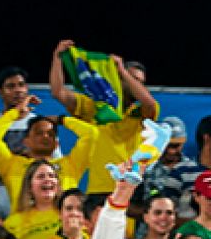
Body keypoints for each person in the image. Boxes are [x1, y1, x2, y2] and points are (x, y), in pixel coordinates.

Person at [49, 40, 160, 198]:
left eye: (141, 82)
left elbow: (149, 102)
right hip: (97, 190)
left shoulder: (140, 113)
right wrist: (57, 58)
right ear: (118, 79)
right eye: (134, 80)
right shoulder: (96, 106)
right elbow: (58, 92)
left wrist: (122, 71)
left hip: (129, 188)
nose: (138, 85)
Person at [0, 100, 94, 213]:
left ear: (56, 144)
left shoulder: (70, 165)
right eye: (39, 133)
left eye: (50, 134)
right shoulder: (11, 164)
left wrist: (62, 120)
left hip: (64, 228)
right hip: (23, 229)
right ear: (26, 141)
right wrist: (15, 113)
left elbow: (91, 134)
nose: (45, 136)